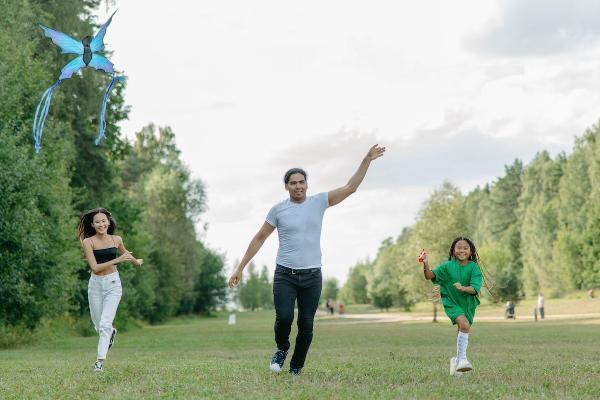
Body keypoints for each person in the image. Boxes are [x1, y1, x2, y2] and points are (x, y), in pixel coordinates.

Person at [228, 144, 385, 376]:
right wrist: (240, 268)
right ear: (286, 187)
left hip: (312, 275)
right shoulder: (278, 210)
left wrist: (366, 160)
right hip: (285, 274)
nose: (298, 186)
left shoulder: (319, 202)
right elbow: (260, 238)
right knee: (284, 317)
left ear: (307, 184)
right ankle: (281, 349)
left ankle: (296, 366)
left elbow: (350, 187)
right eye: (293, 183)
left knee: (306, 324)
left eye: (302, 182)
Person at [78, 208, 143, 372]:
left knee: (105, 323)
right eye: (97, 222)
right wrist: (118, 259)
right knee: (99, 326)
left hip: (113, 284)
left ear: (108, 222)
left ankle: (99, 362)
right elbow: (94, 268)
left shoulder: (116, 239)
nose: (101, 224)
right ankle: (111, 332)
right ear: (92, 225)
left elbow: (125, 254)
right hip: (95, 285)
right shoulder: (89, 242)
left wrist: (136, 262)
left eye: (103, 221)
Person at [418, 237, 483, 377]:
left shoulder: (474, 267)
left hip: (468, 304)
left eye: (466, 248)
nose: (462, 250)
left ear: (471, 251)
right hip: (451, 302)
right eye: (459, 247)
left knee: (462, 328)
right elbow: (429, 276)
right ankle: (463, 360)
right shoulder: (447, 266)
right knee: (464, 325)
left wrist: (463, 288)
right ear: (453, 250)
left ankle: (456, 361)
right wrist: (425, 263)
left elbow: (475, 288)